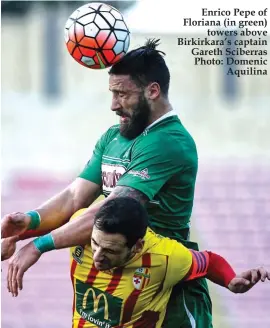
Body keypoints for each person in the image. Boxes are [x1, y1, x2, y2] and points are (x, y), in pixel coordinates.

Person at [2, 39, 214, 326]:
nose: (114, 105)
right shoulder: (114, 137)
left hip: (166, 286)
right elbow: (74, 199)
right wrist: (28, 222)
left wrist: (38, 245)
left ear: (153, 90)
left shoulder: (169, 142)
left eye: (122, 94)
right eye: (112, 93)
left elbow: (109, 211)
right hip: (120, 278)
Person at [6, 198, 270, 328]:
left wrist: (231, 281)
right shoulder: (81, 230)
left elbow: (208, 261)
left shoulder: (165, 257)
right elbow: (59, 222)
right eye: (94, 244)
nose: (97, 256)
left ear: (137, 246)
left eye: (109, 250)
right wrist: (16, 237)